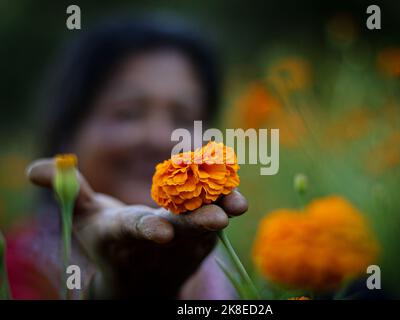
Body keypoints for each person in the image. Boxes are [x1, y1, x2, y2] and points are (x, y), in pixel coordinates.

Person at [6, 16, 248, 299]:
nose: (158, 137)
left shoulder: (226, 269)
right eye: (128, 113)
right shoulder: (15, 271)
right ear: (68, 131)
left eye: (183, 117)